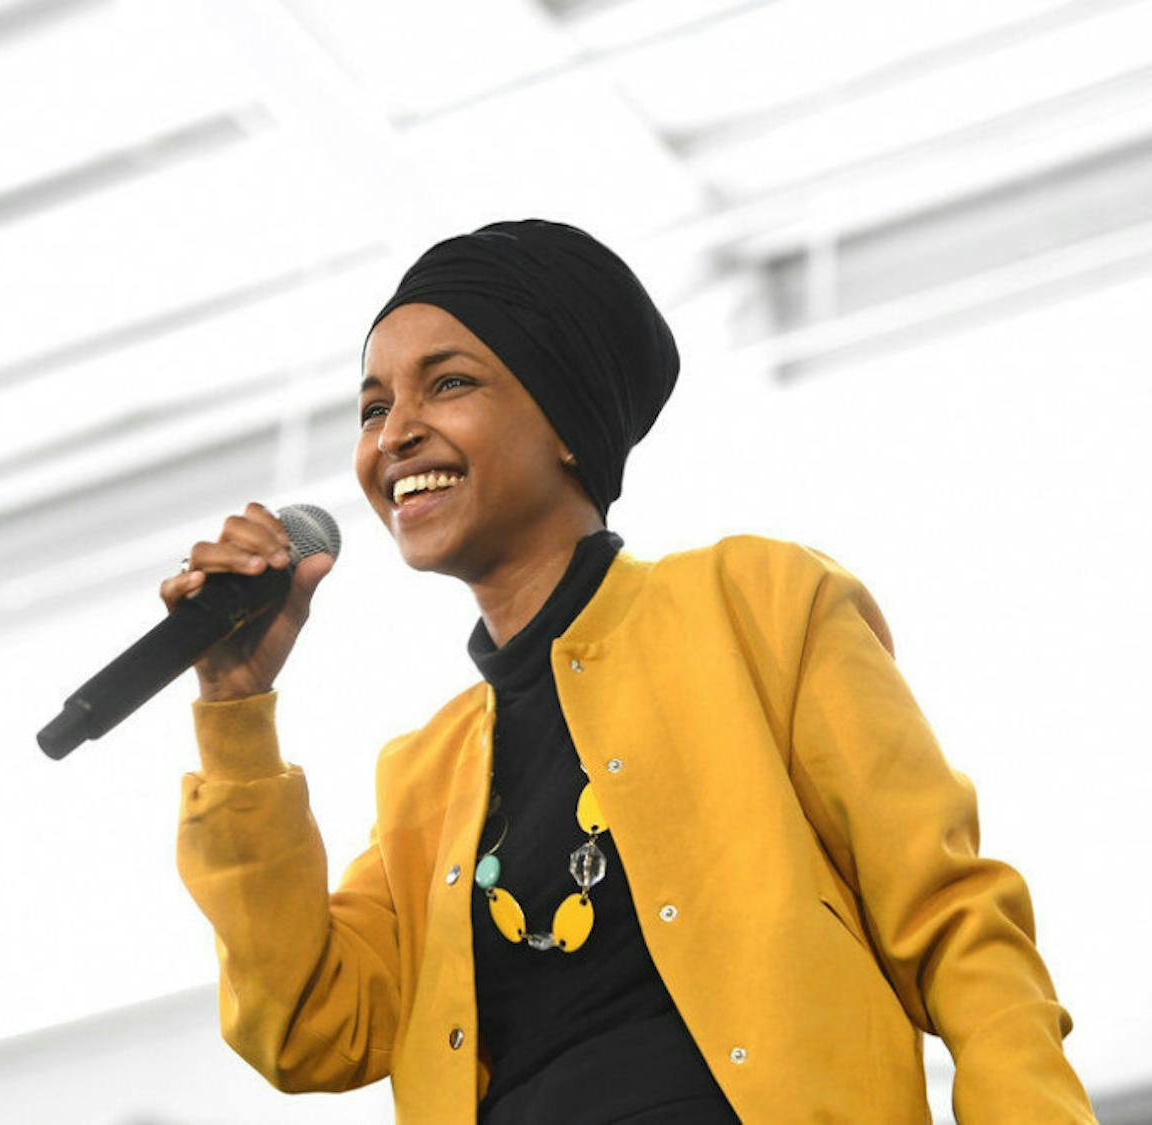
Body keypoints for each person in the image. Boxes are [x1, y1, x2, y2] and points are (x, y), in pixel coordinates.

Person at [167, 220, 1095, 1122]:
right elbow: (306, 1026)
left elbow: (956, 922)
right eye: (374, 409)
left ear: (566, 421)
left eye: (447, 383)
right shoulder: (424, 778)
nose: (395, 434)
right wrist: (235, 705)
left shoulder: (759, 603)